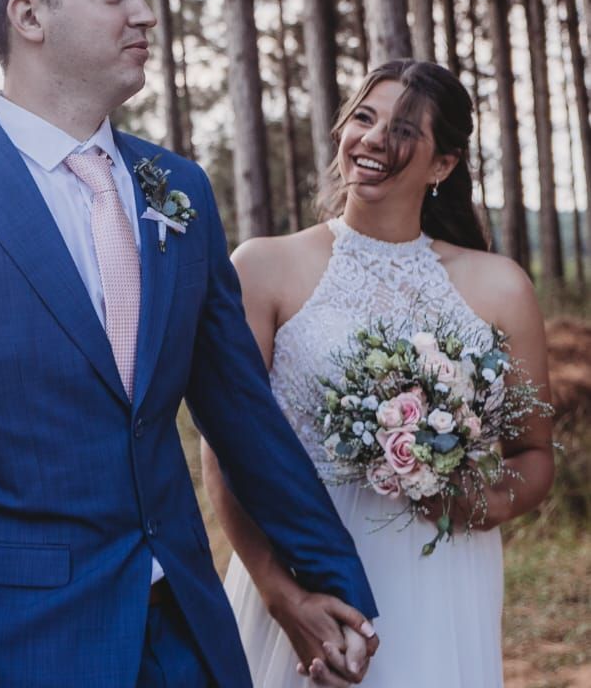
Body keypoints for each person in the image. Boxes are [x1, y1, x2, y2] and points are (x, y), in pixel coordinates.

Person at [0, 0, 379, 688]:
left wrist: (338, 583)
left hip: (186, 633)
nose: (144, 14)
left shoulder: (180, 190)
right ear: (28, 15)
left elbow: (240, 413)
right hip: (23, 645)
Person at [204, 59, 553, 687]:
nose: (371, 138)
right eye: (362, 118)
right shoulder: (263, 267)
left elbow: (532, 453)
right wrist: (282, 596)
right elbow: (226, 451)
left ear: (443, 164)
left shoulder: (500, 287)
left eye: (401, 129)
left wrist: (471, 499)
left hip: (440, 569)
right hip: (306, 564)